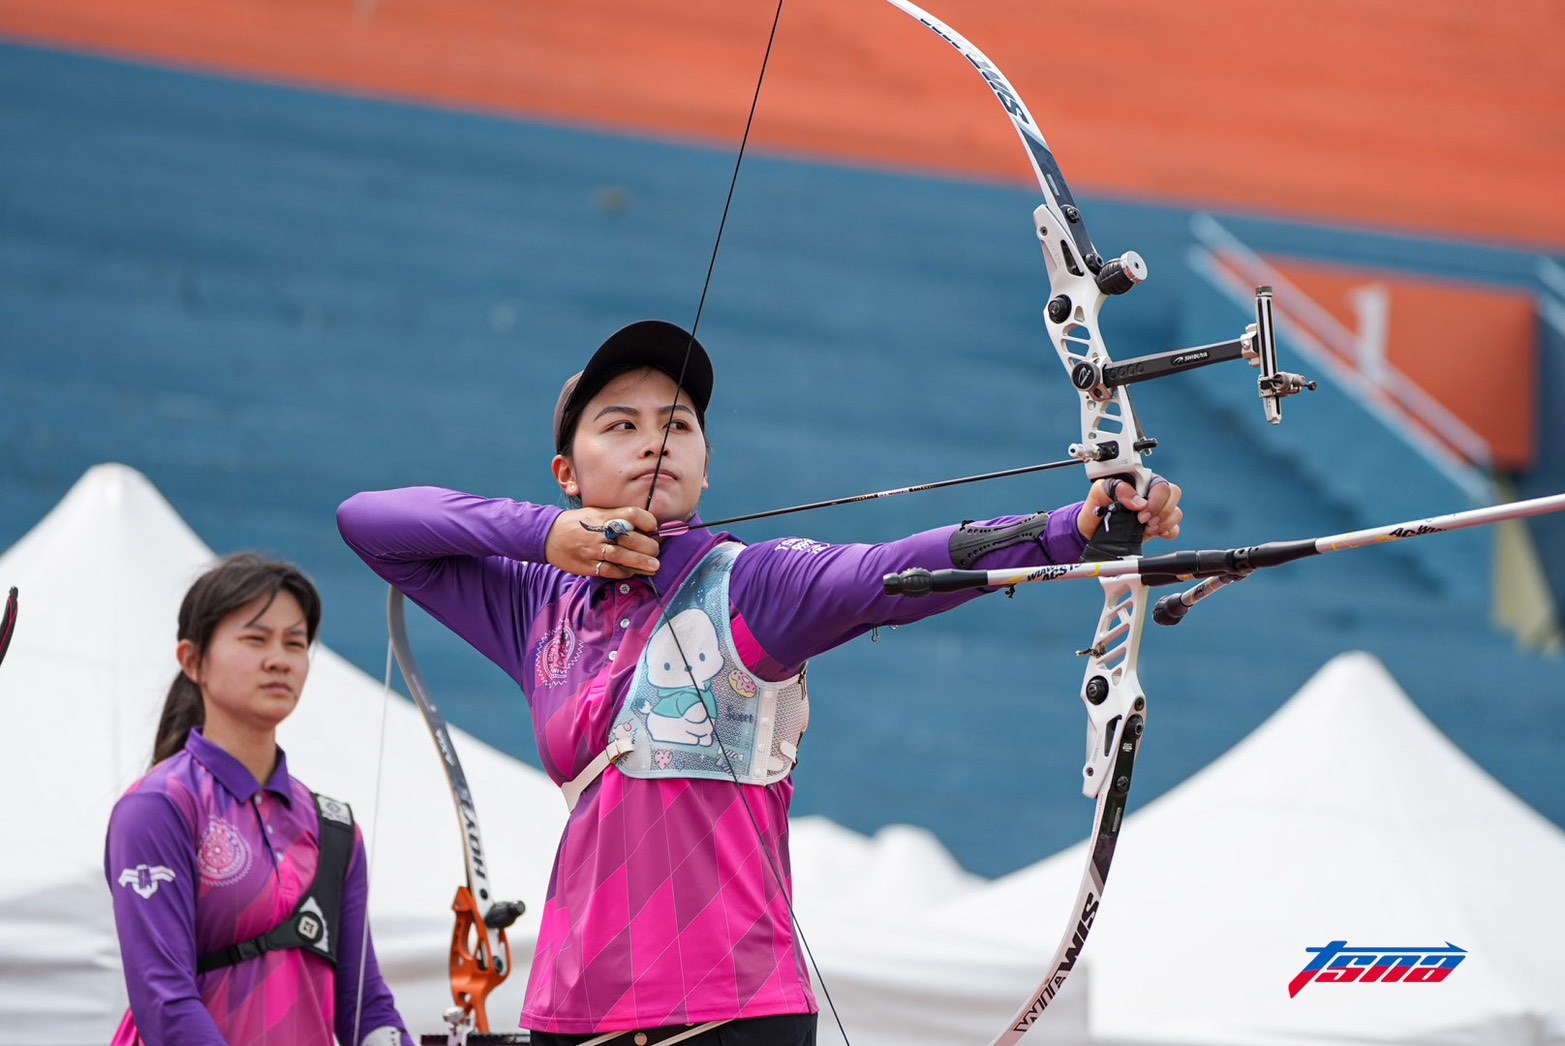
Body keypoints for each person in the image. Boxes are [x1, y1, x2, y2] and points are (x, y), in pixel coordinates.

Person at [337, 320, 1182, 1046]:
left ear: (706, 467)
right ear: (568, 471)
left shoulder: (750, 588)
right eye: (619, 425)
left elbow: (894, 568)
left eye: (677, 425)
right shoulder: (539, 606)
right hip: (569, 1012)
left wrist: (1069, 531)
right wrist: (548, 535)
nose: (653, 442)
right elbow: (370, 522)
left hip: (728, 1012)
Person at [104, 553, 409, 1046]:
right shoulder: (159, 807)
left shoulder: (333, 827)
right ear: (192, 661)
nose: (279, 659)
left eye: (295, 642)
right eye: (255, 638)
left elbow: (365, 1006)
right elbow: (165, 1001)